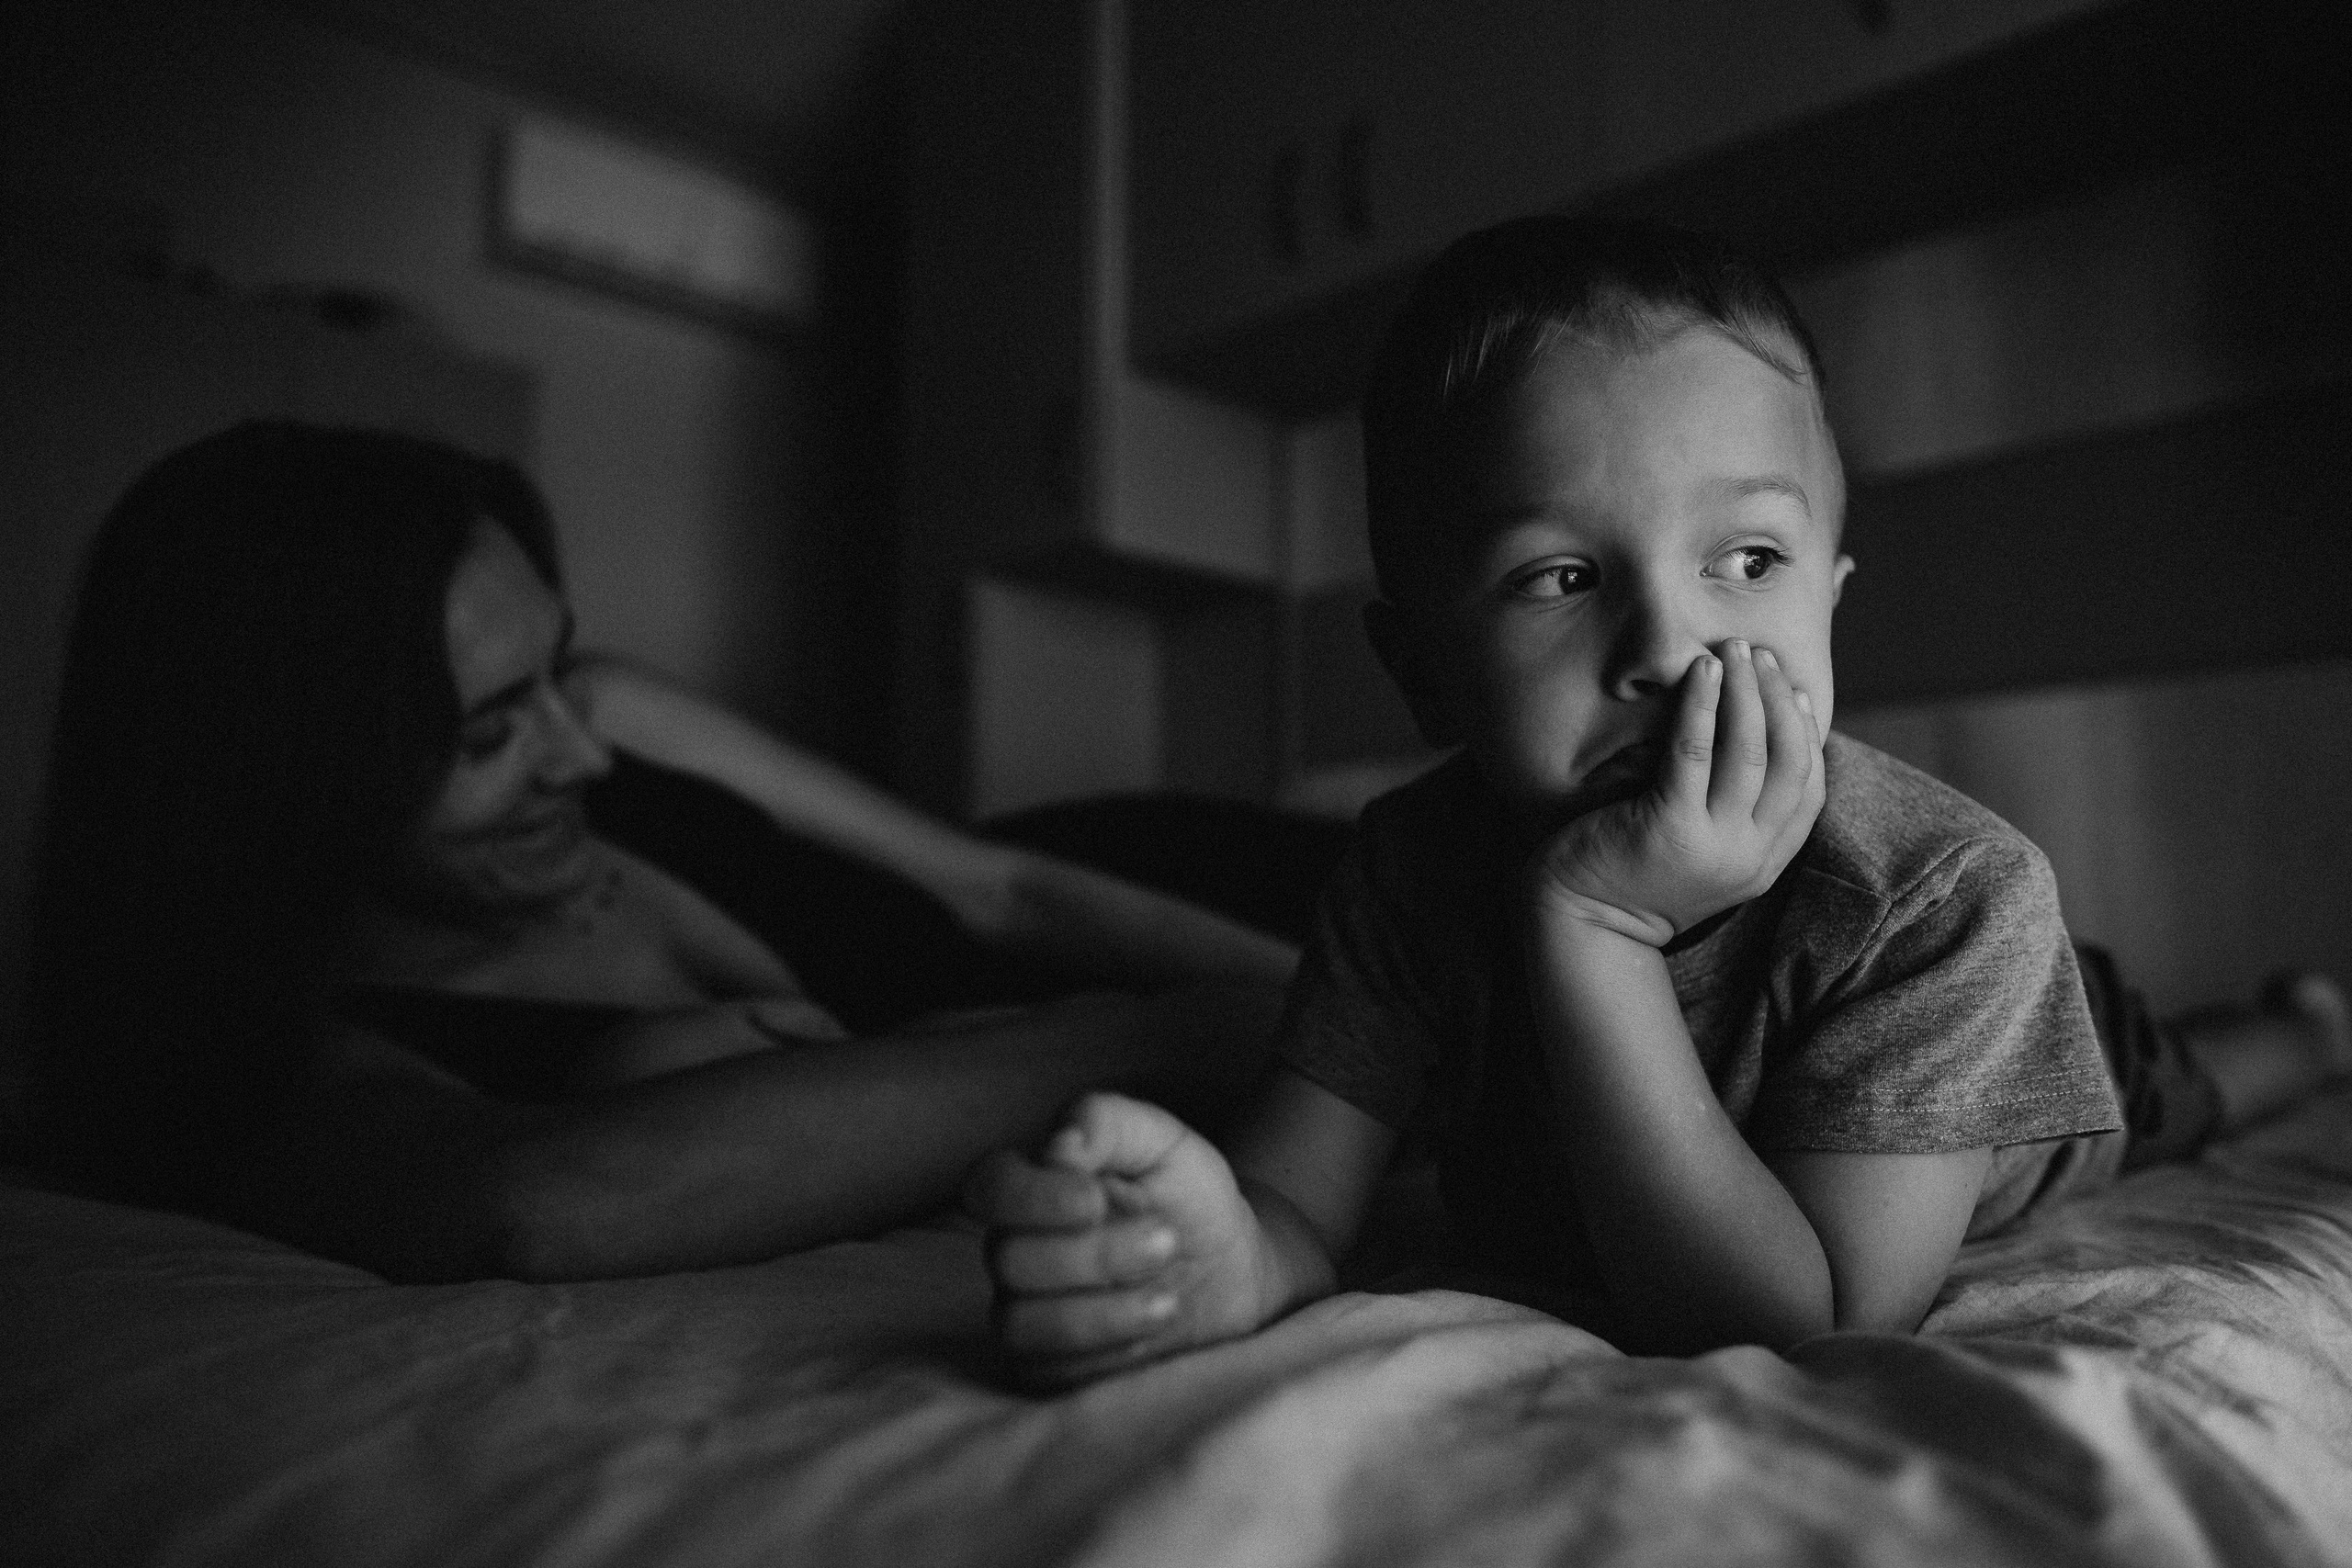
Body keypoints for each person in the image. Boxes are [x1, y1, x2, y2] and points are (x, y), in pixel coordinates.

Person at [966, 217, 2352, 1380]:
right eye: (1560, 578)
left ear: (1829, 602)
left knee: (2187, 1086)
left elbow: (1799, 1321)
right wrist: (1220, 1256)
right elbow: (1296, 1199)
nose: (1670, 648)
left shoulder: (1949, 903)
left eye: (1747, 561)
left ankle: (2309, 1024)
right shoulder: (1405, 874)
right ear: (1422, 674)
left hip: (2029, 1063)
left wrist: (1594, 929)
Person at [19, 422, 1296, 1282]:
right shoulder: (293, 1058)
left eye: (558, 667)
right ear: (288, 784)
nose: (582, 752)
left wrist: (1309, 998)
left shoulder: (613, 717)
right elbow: (545, 1203)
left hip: (1160, 883)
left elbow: (1003, 888)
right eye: (490, 733)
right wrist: (1191, 1036)